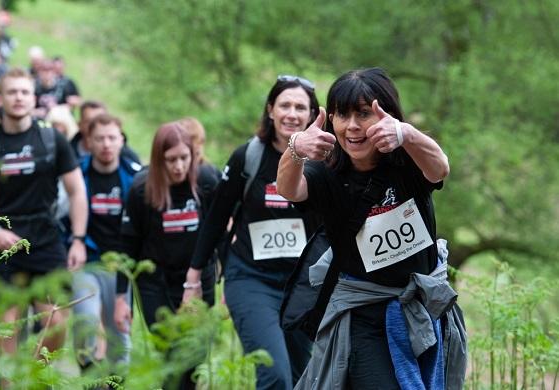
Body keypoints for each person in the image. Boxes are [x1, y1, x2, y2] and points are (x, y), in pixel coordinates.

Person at [276, 67, 465, 389]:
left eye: (364, 114)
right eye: (342, 115)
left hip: (425, 305)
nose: (352, 126)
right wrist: (296, 148)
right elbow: (288, 189)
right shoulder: (326, 172)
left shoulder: (407, 158)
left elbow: (439, 168)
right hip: (364, 315)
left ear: (386, 117)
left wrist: (407, 134)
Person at [186, 75, 320, 390]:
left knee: (304, 379)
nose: (292, 113)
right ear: (270, 110)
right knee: (274, 375)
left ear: (313, 115)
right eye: (284, 105)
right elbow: (216, 218)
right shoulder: (249, 156)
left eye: (301, 107)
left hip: (303, 287)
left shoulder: (323, 160)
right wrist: (193, 276)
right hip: (251, 280)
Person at [0, 67, 88, 364]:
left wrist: (78, 239)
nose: (19, 98)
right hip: (2, 243)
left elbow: (77, 191)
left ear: (34, 97)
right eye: (12, 92)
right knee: (6, 328)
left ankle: (35, 377)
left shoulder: (52, 139)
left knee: (56, 324)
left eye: (25, 92)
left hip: (44, 238)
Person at [114, 122, 218, 389]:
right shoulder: (141, 189)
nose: (179, 166)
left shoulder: (206, 180)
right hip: (155, 282)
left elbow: (221, 230)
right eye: (171, 160)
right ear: (158, 160)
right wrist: (120, 298)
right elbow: (128, 246)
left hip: (197, 279)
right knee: (171, 353)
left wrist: (229, 273)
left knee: (193, 355)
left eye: (185, 158)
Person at [65, 113, 140, 371]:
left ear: (121, 140)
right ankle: (90, 378)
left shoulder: (135, 176)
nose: (106, 144)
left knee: (119, 333)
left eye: (112, 138)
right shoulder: (77, 174)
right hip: (88, 262)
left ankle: (116, 380)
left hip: (122, 266)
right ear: (89, 142)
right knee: (86, 321)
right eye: (99, 139)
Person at [71, 100, 141, 164]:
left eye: (102, 121)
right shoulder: (68, 153)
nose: (96, 126)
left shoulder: (129, 158)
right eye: (89, 121)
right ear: (80, 125)